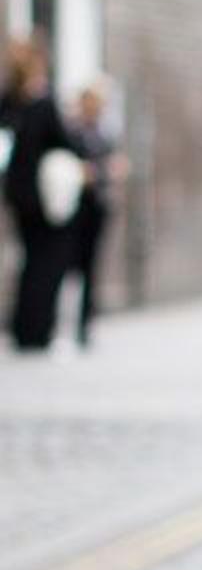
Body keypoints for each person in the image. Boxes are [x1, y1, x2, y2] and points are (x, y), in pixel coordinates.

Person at [0, 36, 85, 352]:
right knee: (48, 261)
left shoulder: (10, 100)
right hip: (47, 196)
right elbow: (65, 143)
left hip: (18, 194)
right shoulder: (43, 103)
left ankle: (23, 329)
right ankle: (38, 330)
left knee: (29, 259)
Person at [68, 83, 126, 348]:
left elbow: (109, 166)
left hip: (98, 206)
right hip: (75, 207)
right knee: (72, 264)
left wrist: (111, 172)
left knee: (91, 266)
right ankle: (66, 320)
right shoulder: (73, 133)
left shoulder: (104, 135)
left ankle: (85, 322)